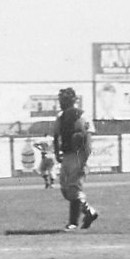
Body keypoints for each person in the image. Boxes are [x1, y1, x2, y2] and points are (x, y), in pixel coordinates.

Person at [52, 87, 99, 230]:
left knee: (73, 188)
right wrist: (57, 153)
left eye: (64, 100)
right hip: (66, 155)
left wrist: (84, 158)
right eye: (61, 99)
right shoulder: (61, 117)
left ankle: (73, 222)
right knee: (66, 190)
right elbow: (56, 136)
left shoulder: (82, 116)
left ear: (72, 100)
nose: (61, 102)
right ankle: (89, 212)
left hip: (77, 156)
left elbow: (88, 138)